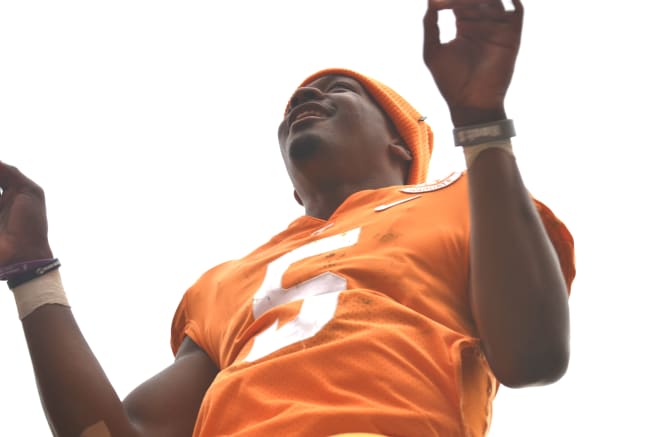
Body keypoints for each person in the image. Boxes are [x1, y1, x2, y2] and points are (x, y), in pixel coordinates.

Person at [0, 0, 575, 436]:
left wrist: (480, 121)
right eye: (294, 104)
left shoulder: (469, 198)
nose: (305, 99)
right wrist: (32, 270)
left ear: (400, 146)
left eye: (338, 89)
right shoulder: (224, 283)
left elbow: (532, 356)